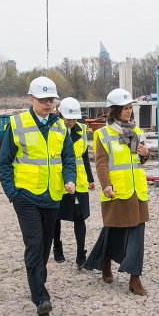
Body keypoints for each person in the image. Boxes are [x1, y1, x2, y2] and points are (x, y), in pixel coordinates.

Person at [0, 76, 77, 316]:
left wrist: (69, 179)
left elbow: (68, 159)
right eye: (43, 99)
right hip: (26, 197)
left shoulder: (61, 126)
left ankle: (36, 281)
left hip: (52, 196)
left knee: (45, 247)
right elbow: (4, 163)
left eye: (51, 99)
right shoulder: (17, 124)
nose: (47, 104)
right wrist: (13, 194)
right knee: (34, 244)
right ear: (31, 99)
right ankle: (40, 297)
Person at [82, 88, 150, 296]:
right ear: (114, 111)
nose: (128, 112)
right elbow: (101, 164)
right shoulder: (102, 134)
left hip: (137, 190)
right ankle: (104, 260)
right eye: (124, 108)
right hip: (116, 190)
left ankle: (134, 277)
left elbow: (140, 159)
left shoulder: (137, 132)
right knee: (114, 229)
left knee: (137, 233)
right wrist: (106, 185)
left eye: (130, 108)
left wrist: (146, 154)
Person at [52, 97, 95, 268]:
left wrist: (91, 178)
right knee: (55, 216)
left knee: (79, 216)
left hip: (79, 181)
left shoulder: (82, 130)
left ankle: (80, 254)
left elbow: (84, 157)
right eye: (68, 118)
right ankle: (57, 247)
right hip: (58, 180)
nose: (71, 122)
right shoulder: (53, 130)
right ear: (60, 115)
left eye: (74, 118)